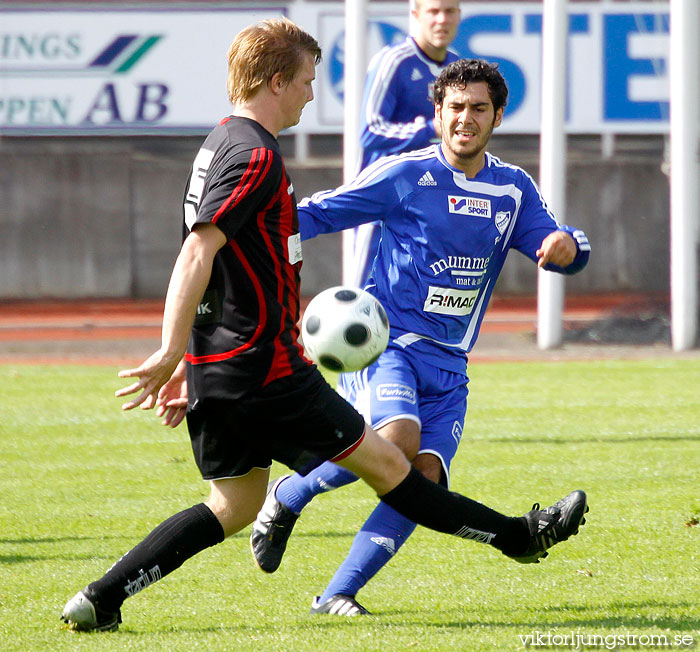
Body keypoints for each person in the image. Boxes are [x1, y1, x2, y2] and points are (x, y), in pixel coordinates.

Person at [61, 21, 587, 633]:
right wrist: (171, 349)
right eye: (308, 81)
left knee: (233, 507)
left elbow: (220, 257)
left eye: (479, 109)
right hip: (271, 367)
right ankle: (518, 537)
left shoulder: (221, 143)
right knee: (393, 461)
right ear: (278, 81)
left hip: (228, 362)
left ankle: (101, 597)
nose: (312, 95)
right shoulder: (257, 156)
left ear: (496, 117)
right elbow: (200, 252)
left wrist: (194, 357)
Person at [250, 58, 592, 616]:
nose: (465, 118)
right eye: (455, 108)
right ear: (437, 114)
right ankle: (288, 497)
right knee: (398, 439)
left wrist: (568, 248)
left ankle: (337, 594)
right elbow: (314, 215)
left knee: (424, 478)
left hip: (452, 363)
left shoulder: (513, 188)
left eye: (478, 108)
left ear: (497, 116)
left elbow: (558, 242)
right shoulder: (405, 174)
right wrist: (247, 239)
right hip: (387, 345)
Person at [350, 0, 461, 288]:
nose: (441, 20)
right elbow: (370, 130)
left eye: (449, 11)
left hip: (430, 208)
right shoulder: (394, 61)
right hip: (382, 206)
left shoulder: (458, 67)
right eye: (433, 11)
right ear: (416, 15)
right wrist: (428, 128)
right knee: (364, 302)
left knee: (421, 307)